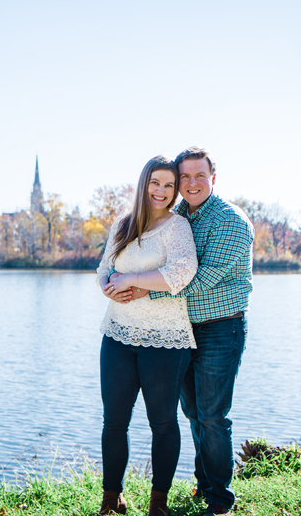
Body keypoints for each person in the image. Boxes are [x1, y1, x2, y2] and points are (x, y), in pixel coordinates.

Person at [115, 147, 253, 516]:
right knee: (192, 411)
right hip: (180, 328)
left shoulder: (230, 221)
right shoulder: (176, 217)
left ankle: (221, 501)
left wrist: (147, 288)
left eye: (199, 176)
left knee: (212, 415)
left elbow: (202, 279)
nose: (192, 183)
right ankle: (204, 483)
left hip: (220, 328)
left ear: (213, 178)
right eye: (185, 177)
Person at [96, 155, 198, 516]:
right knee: (114, 422)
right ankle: (112, 499)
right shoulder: (124, 224)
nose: (162, 191)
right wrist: (109, 285)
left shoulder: (178, 227)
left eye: (169, 185)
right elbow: (104, 268)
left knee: (164, 423)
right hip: (118, 336)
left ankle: (159, 504)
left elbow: (182, 273)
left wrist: (133, 281)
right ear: (145, 184)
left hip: (165, 340)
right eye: (156, 182)